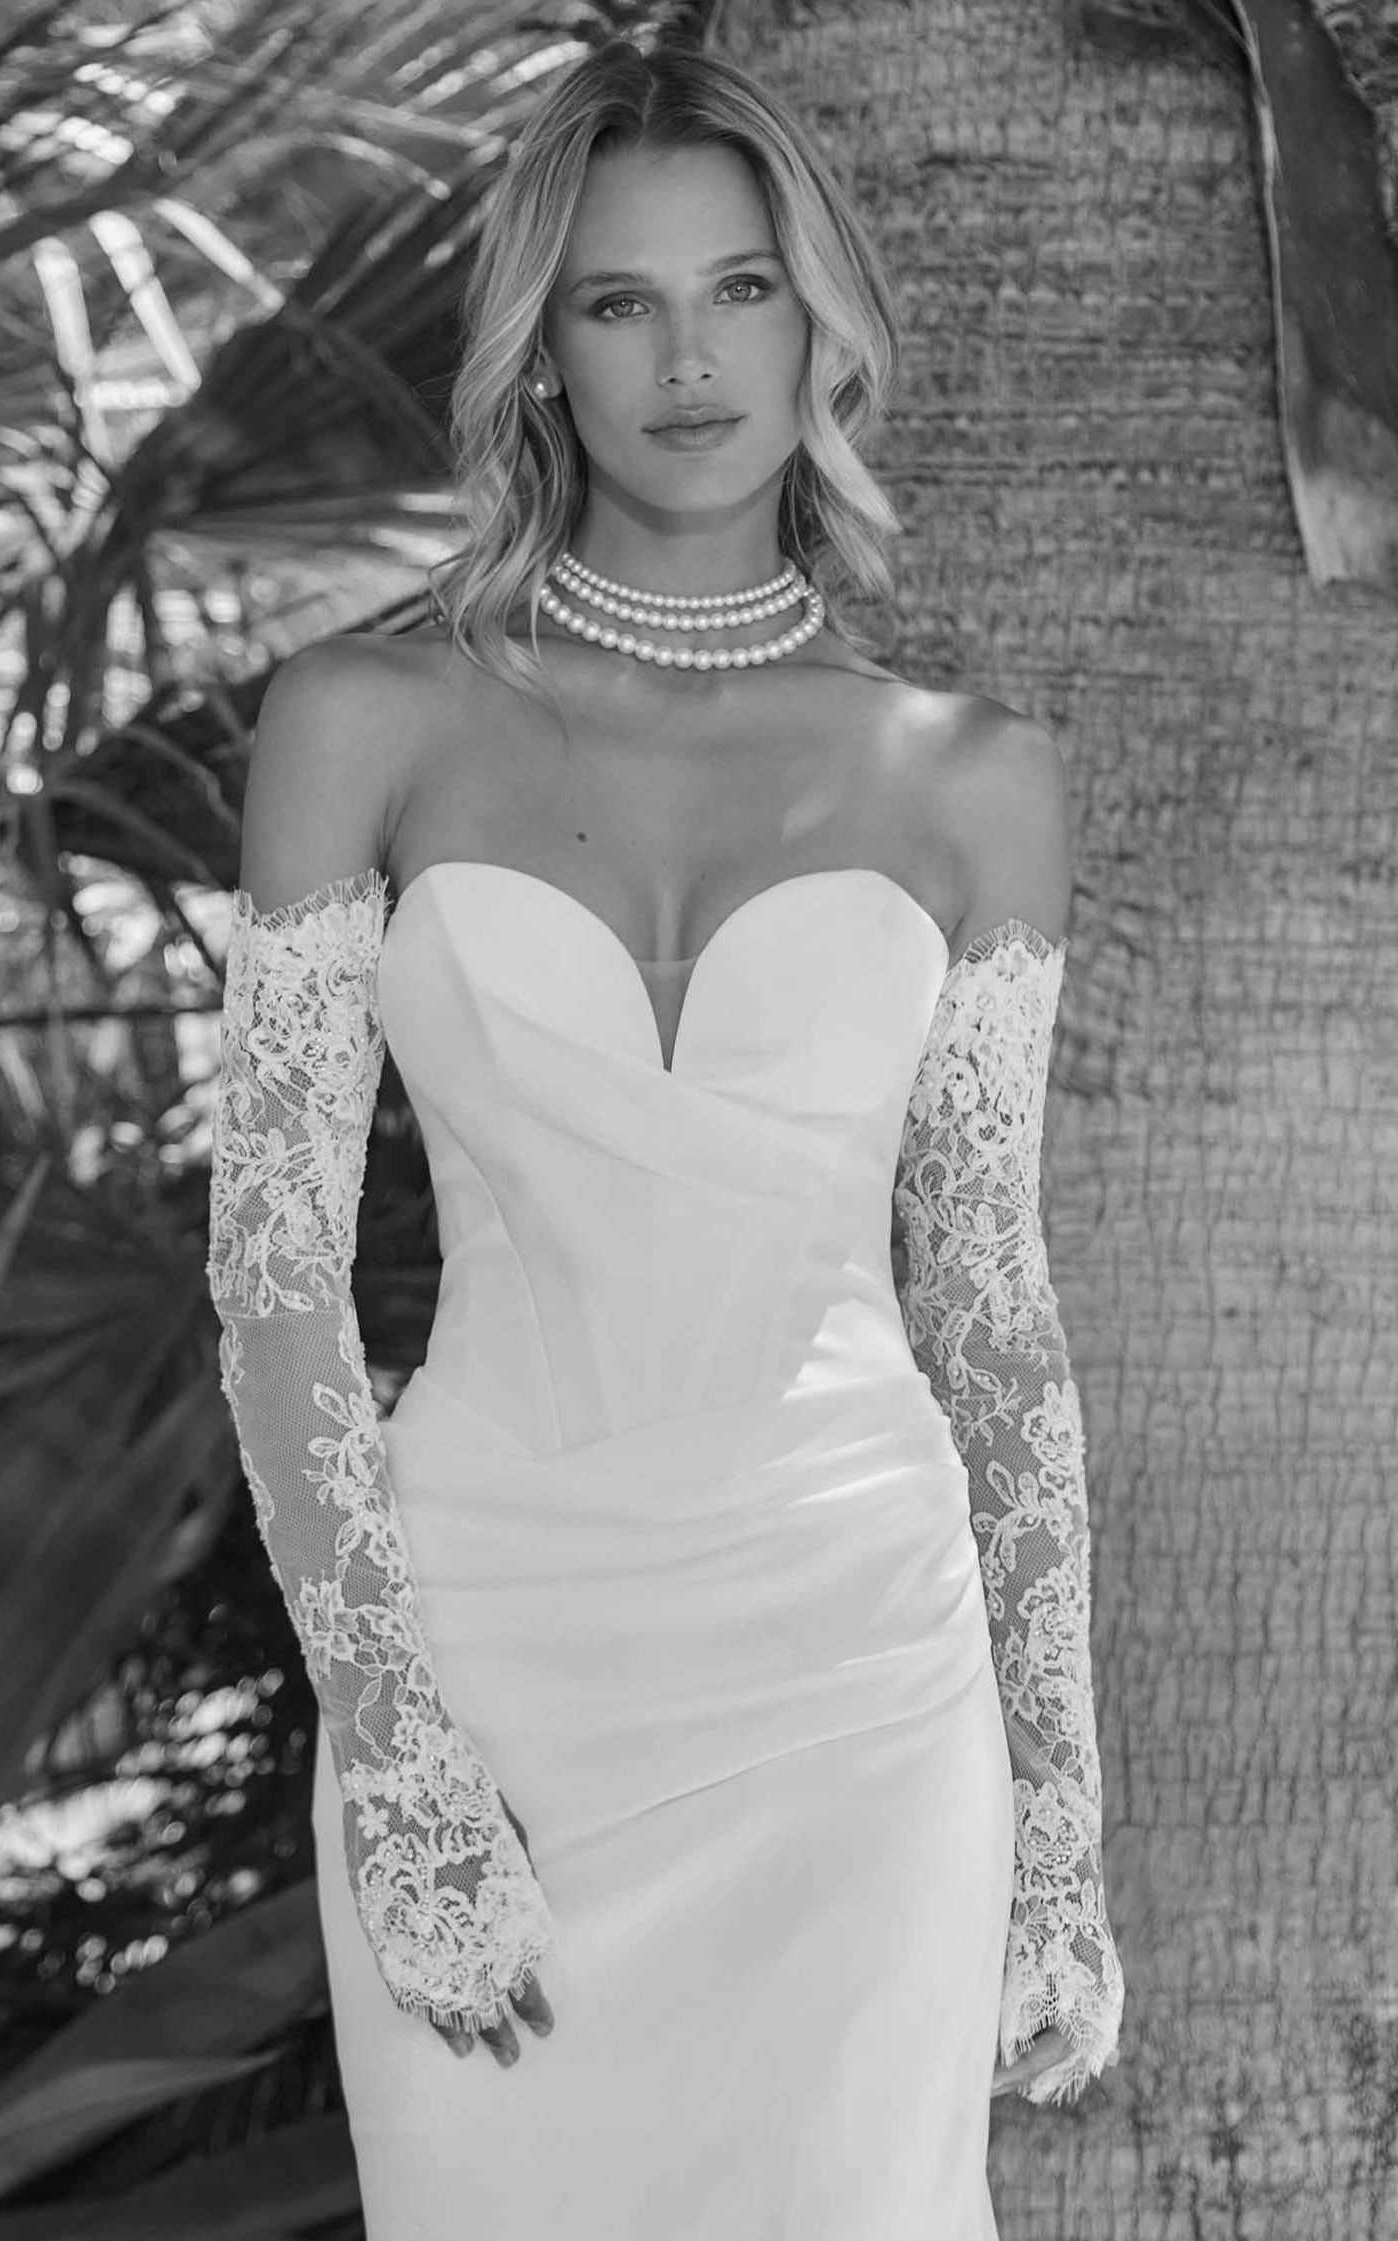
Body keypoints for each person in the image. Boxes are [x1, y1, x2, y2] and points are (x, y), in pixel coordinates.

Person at [206, 31, 1124, 2240]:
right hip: (489, 1666)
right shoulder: (366, 721)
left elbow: (990, 1314)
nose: (688, 360)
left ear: (821, 323)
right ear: (543, 349)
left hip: (862, 1671)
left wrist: (1060, 1825)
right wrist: (400, 1754)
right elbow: (273, 1278)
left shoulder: (973, 780)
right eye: (621, 302)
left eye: (741, 290)